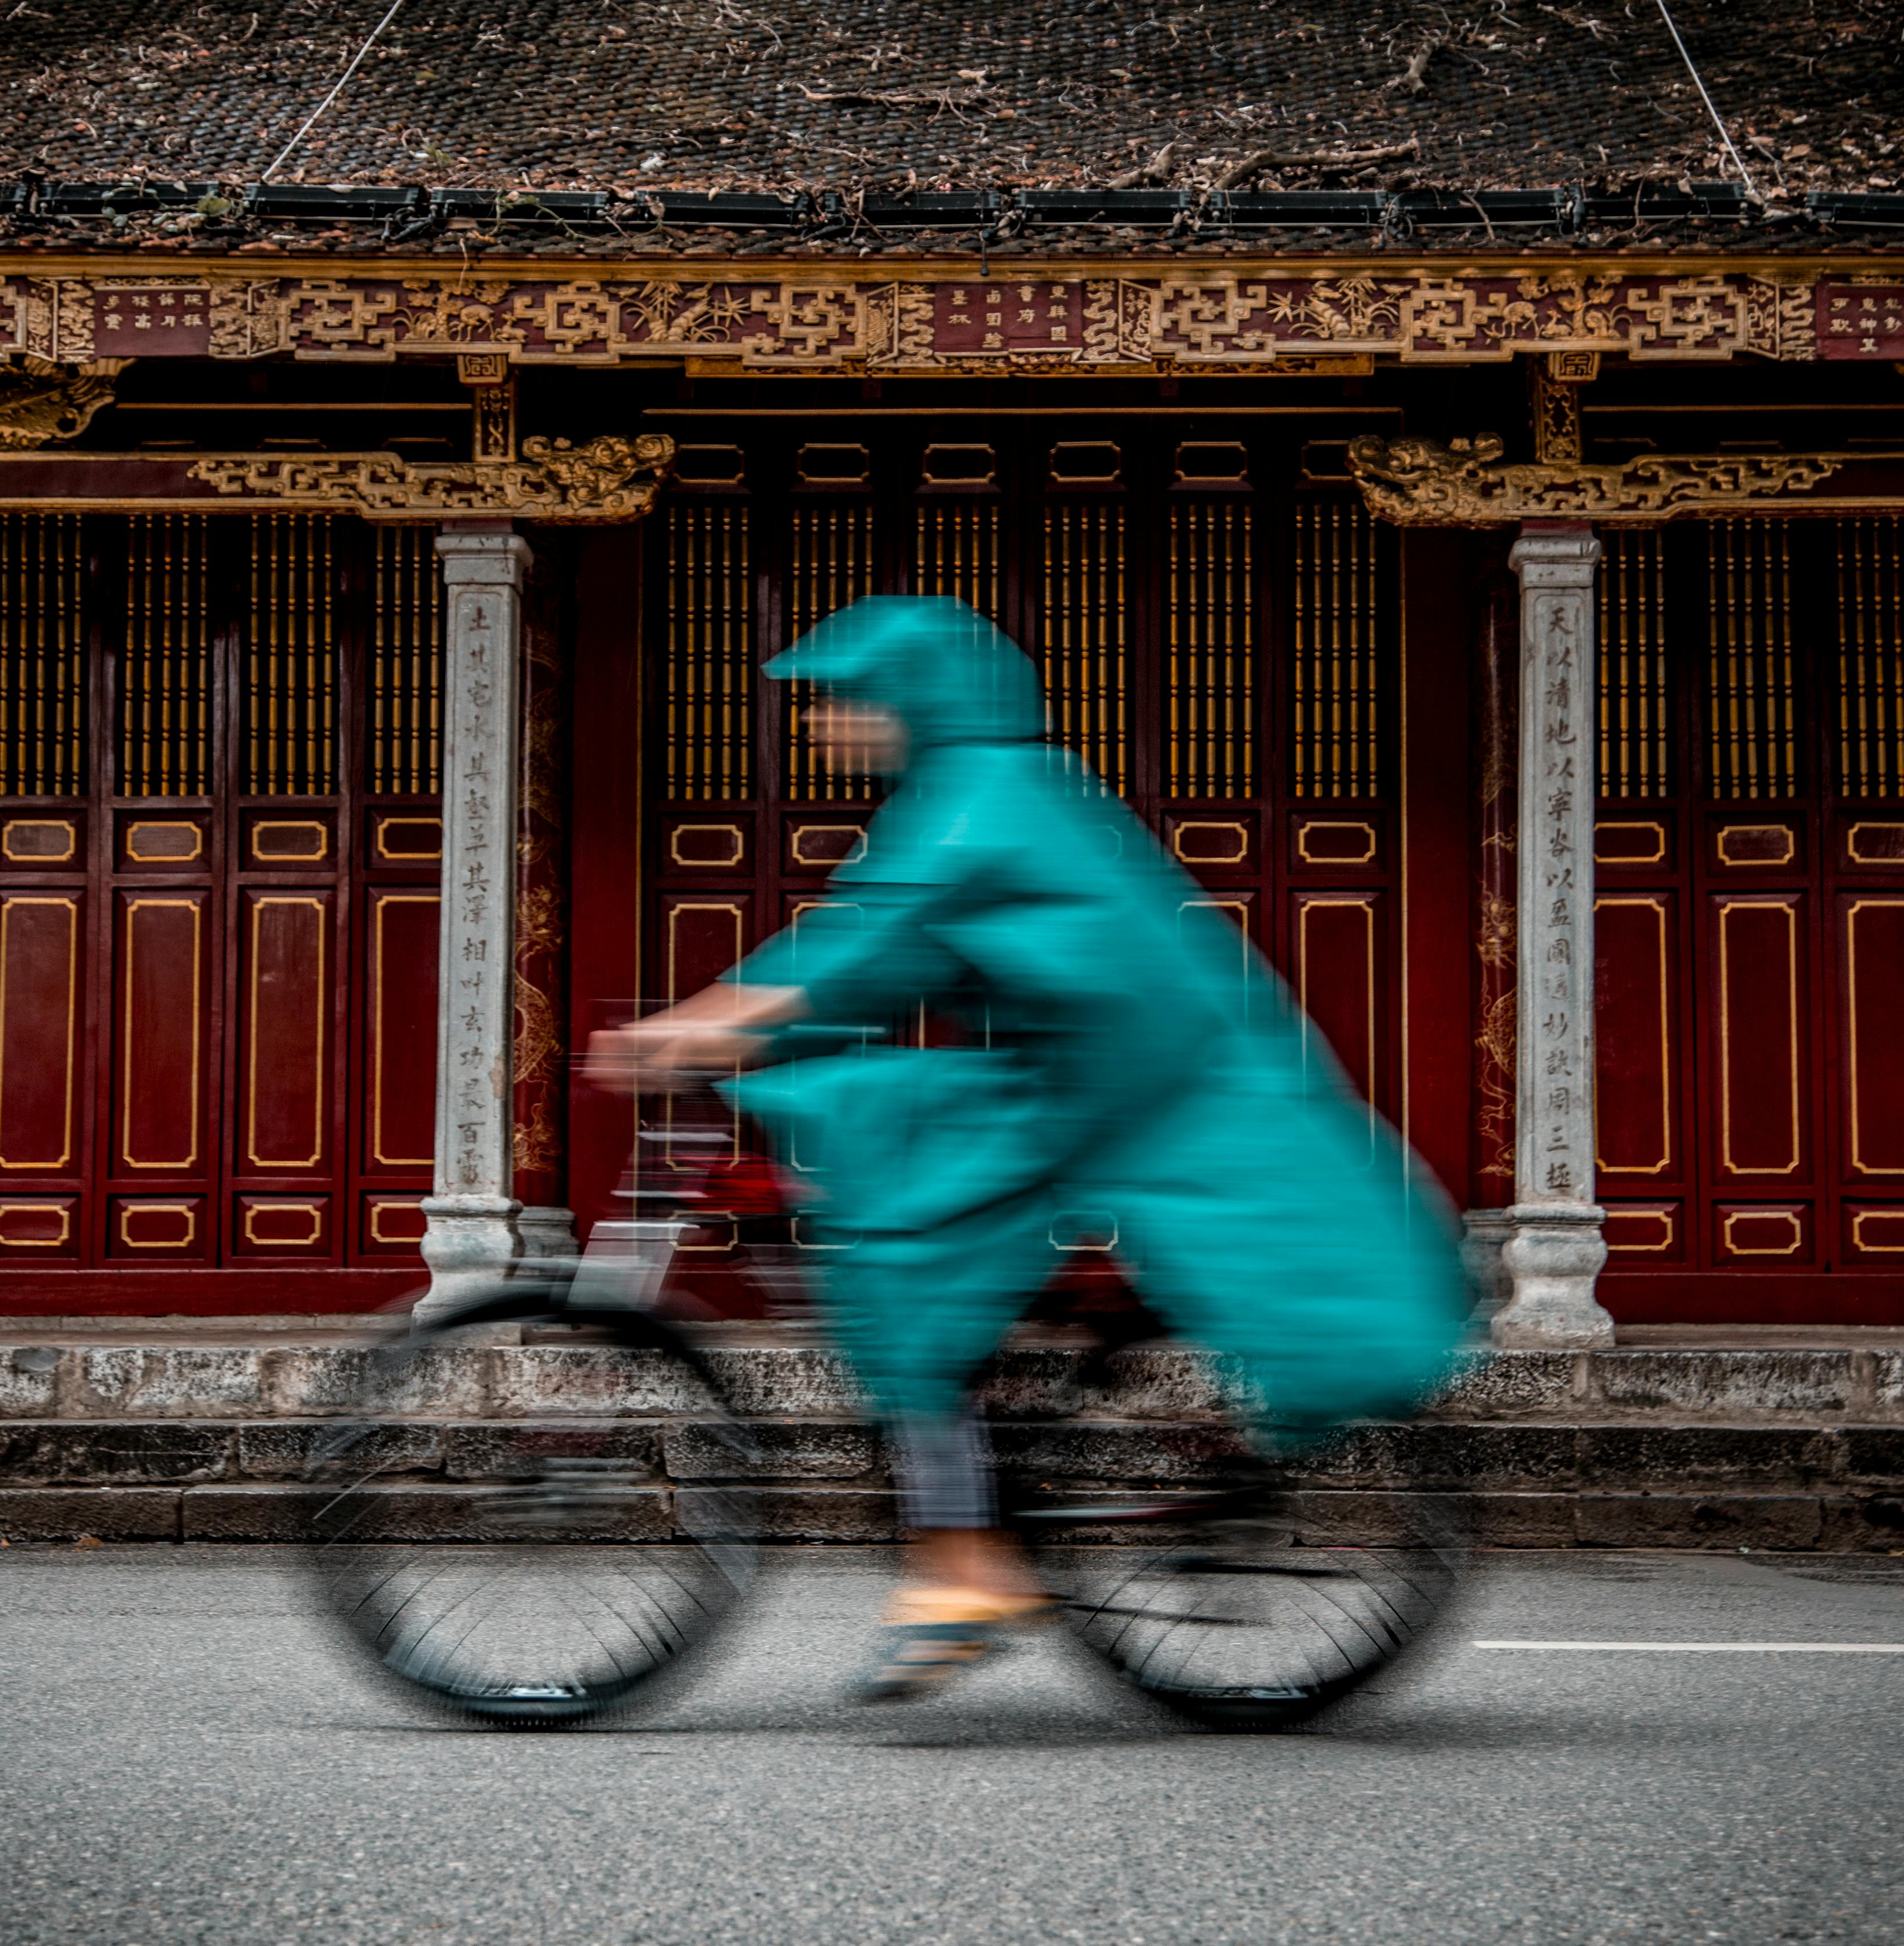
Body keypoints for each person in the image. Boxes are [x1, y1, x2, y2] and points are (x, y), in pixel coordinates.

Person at [590, 597, 1470, 1701]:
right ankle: (973, 1492)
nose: (818, 722)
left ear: (901, 699)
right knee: (859, 1116)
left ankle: (963, 1560)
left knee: (880, 1211)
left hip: (1105, 1095)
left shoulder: (977, 804)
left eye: (836, 699)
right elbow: (857, 951)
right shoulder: (992, 792)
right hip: (1093, 1080)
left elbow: (855, 961)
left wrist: (682, 1033)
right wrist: (724, 1022)